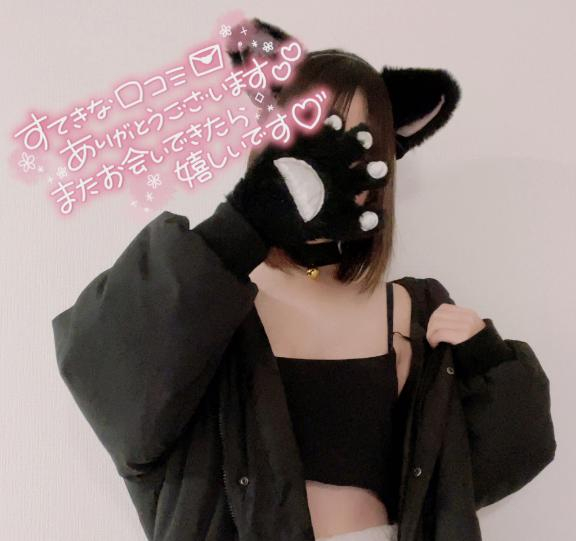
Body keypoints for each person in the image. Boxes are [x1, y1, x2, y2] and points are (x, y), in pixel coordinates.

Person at [51, 20, 556, 541]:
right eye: (315, 132)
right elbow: (109, 379)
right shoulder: (211, 293)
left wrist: (485, 359)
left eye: (361, 144)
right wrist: (239, 227)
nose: (335, 163)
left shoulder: (412, 309)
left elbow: (488, 465)